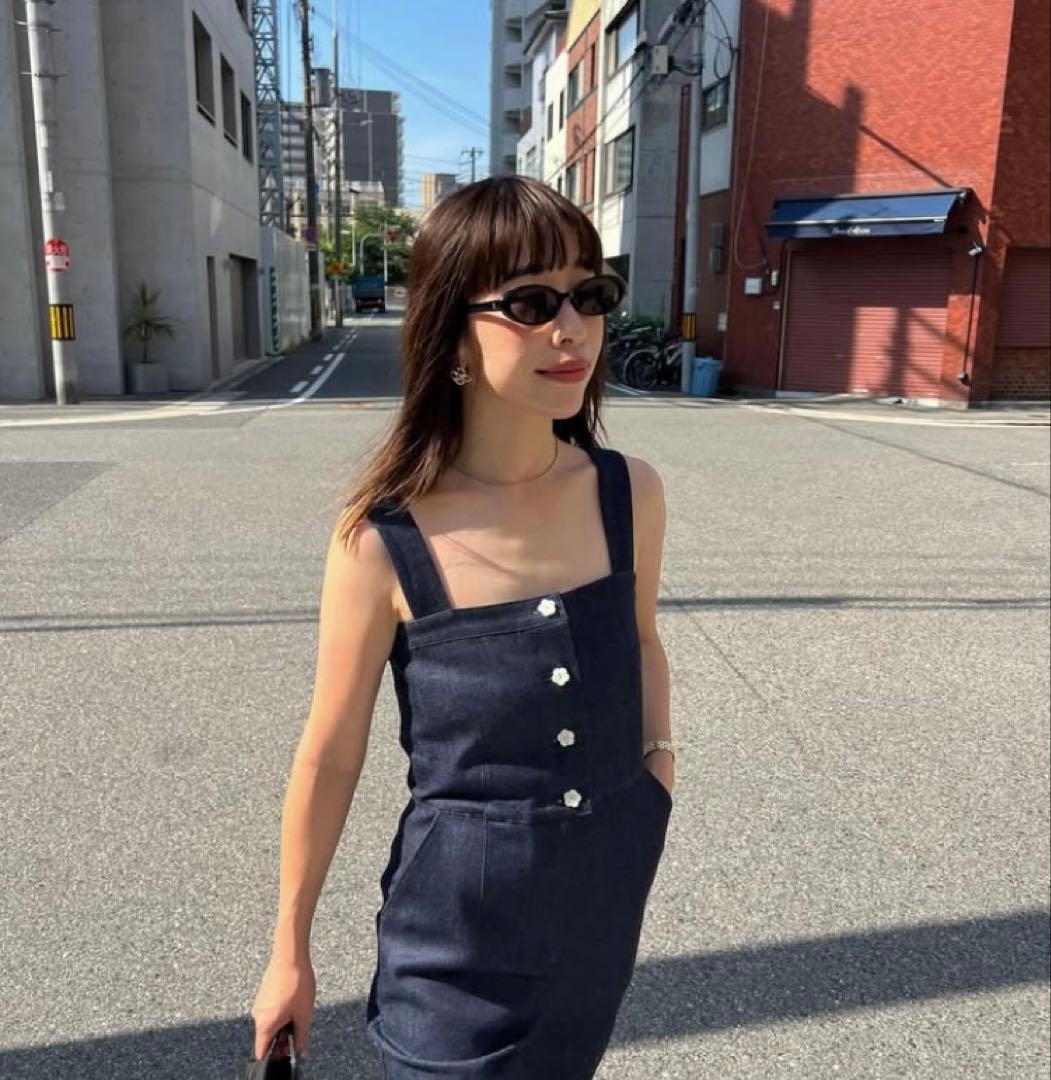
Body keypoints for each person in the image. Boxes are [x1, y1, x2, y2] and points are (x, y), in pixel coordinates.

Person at [249, 175, 677, 1078]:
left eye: (590, 295)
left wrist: (655, 770)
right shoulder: (382, 539)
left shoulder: (627, 493)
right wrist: (289, 948)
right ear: (451, 330)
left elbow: (640, 638)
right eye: (530, 303)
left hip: (601, 913)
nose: (572, 329)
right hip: (452, 947)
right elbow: (330, 752)